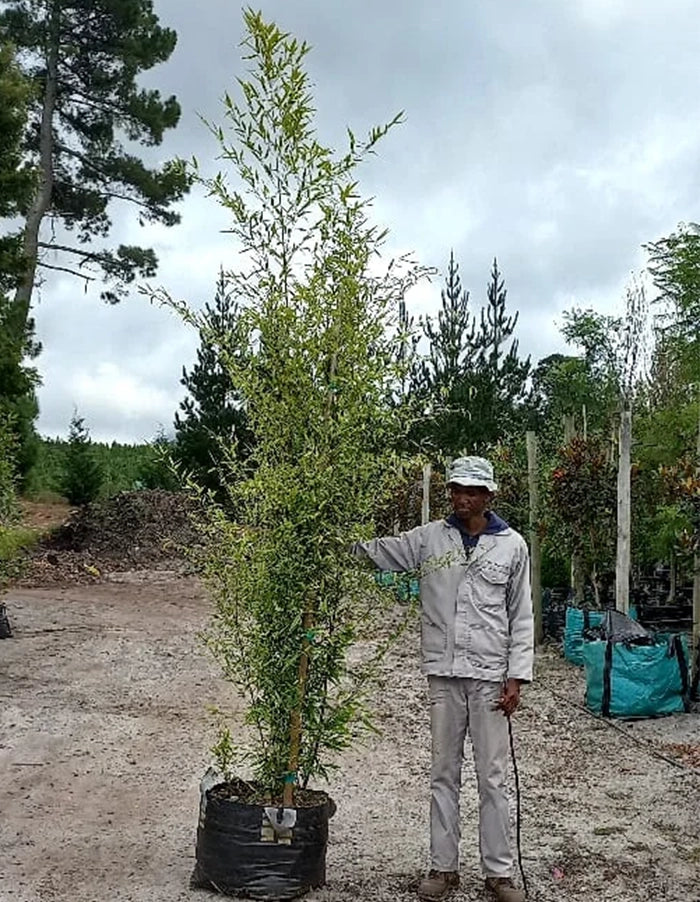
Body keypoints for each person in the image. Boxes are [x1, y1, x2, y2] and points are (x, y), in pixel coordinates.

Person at [353, 456, 533, 902]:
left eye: (471, 490)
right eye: (455, 489)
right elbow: (381, 552)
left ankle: (499, 873)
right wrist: (329, 540)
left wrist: (517, 676)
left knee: (492, 777)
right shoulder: (431, 538)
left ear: (489, 496)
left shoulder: (512, 546)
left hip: (491, 675)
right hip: (443, 673)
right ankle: (443, 867)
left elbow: (522, 615)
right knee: (443, 773)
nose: (461, 497)